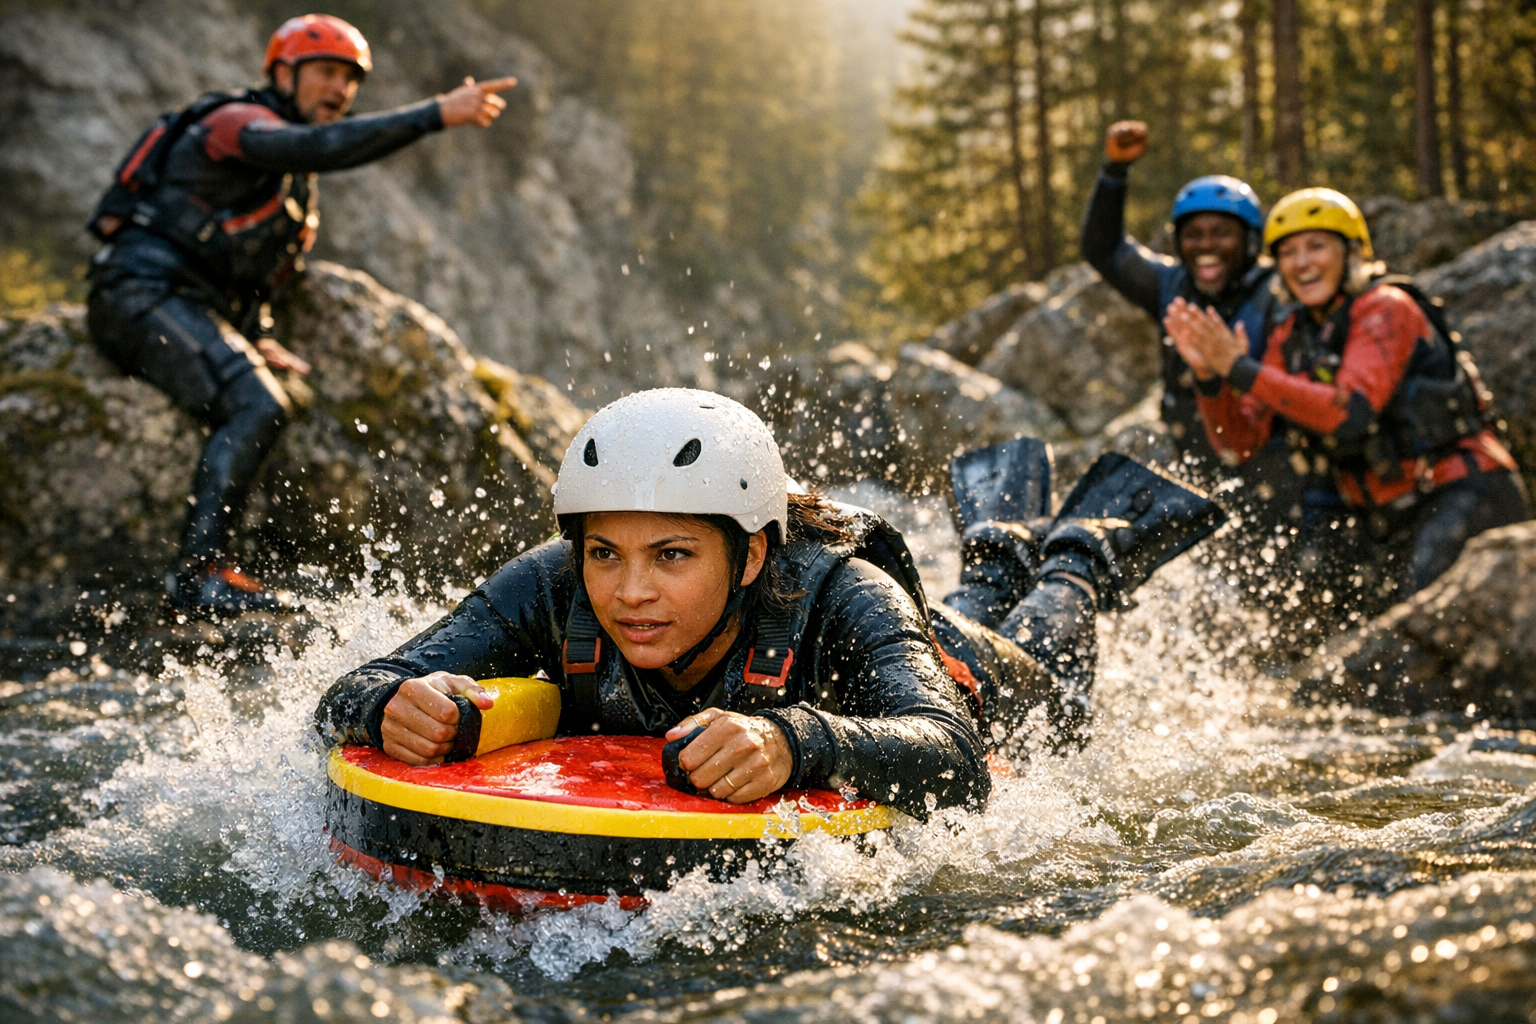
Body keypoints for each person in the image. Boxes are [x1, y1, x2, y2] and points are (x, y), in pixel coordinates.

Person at [314, 390, 1222, 819]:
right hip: (915, 640)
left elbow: (957, 758)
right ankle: (994, 548)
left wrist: (796, 741)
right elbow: (354, 689)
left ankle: (1074, 554)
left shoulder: (839, 590)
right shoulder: (552, 581)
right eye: (606, 553)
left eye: (672, 555)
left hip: (977, 676)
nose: (630, 591)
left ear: (750, 552)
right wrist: (390, 703)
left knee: (1042, 637)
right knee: (977, 593)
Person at [85, 13, 518, 615]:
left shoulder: (292, 191)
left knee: (268, 393)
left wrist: (256, 335)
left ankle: (218, 569)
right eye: (325, 73)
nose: (339, 90)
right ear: (283, 73)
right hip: (134, 292)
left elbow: (258, 269)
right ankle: (196, 575)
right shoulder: (236, 122)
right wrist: (436, 113)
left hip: (183, 304)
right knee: (255, 403)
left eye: (349, 79)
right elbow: (319, 146)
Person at [1164, 187, 1529, 608]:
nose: (1302, 263)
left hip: (1461, 493)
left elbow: (1351, 412)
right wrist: (1210, 379)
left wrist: (1241, 369)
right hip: (1378, 517)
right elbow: (1238, 444)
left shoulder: (1386, 308)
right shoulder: (1290, 335)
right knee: (1318, 629)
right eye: (1288, 252)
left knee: (1419, 635)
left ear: (1351, 252)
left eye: (1316, 246)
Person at [1081, 120, 1295, 500]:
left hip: (1270, 468)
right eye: (1193, 235)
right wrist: (1114, 171)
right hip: (1193, 461)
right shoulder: (1170, 285)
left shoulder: (1280, 290)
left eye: (1221, 232)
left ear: (1248, 240)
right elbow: (1104, 250)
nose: (1205, 245)